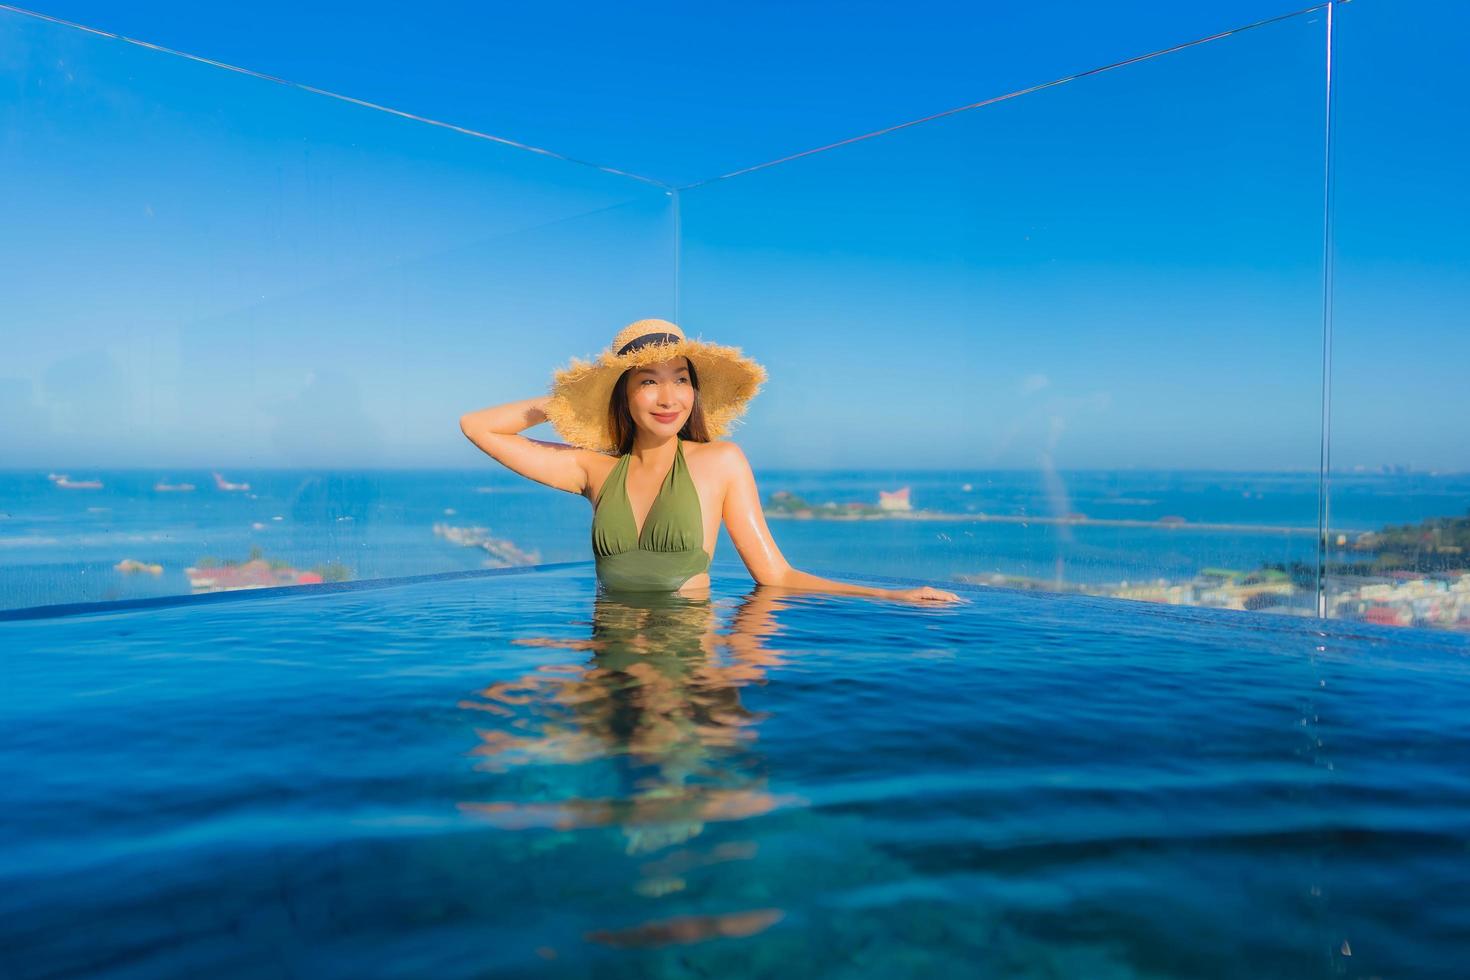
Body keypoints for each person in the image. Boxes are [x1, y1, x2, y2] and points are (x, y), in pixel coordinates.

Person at [459, 318, 960, 603]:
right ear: (624, 395)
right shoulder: (593, 471)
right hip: (605, 654)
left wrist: (893, 597)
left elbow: (777, 576)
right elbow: (478, 426)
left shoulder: (721, 461)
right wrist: (573, 398)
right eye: (647, 380)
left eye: (681, 378)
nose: (668, 395)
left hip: (686, 658)